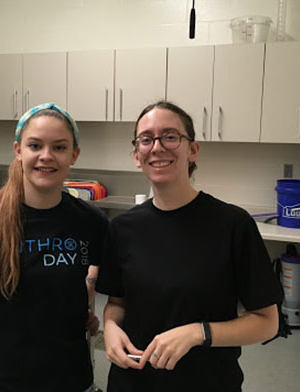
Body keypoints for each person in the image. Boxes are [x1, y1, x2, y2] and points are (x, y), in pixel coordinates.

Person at [96, 101, 283, 391]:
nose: (157, 147)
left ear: (192, 149)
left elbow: (267, 323)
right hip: (132, 381)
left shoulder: (232, 224)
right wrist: (109, 328)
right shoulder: (122, 228)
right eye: (146, 139)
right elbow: (117, 303)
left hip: (207, 382)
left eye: (170, 136)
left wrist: (199, 332)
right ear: (137, 155)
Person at [0, 103, 108, 392]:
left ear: (74, 155)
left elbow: (101, 271)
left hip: (70, 382)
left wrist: (81, 295)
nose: (46, 156)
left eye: (59, 147)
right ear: (18, 150)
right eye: (35, 145)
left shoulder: (89, 222)